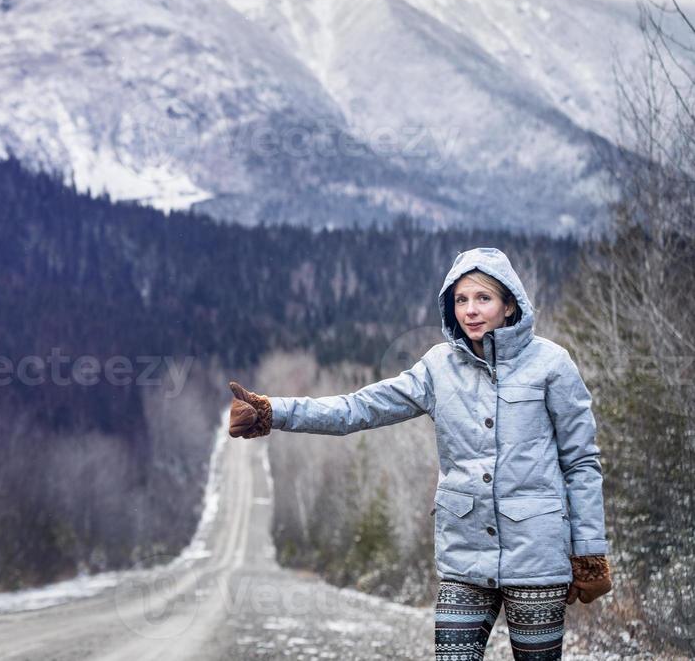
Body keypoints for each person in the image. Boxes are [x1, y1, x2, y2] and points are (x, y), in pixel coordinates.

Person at [227, 247, 611, 661]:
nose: (471, 310)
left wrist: (589, 552)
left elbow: (580, 462)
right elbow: (359, 407)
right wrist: (274, 411)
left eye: (483, 298)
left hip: (537, 556)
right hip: (464, 557)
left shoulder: (552, 364)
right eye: (461, 300)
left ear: (509, 304)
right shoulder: (437, 368)